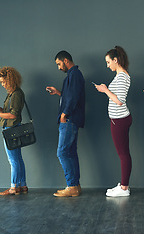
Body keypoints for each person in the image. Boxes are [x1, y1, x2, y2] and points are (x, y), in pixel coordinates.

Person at [94, 46, 133, 197]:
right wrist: (105, 90)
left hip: (120, 120)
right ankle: (123, 185)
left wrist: (105, 90)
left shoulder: (123, 76)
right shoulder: (119, 76)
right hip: (118, 120)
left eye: (108, 62)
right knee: (123, 153)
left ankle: (124, 188)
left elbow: (119, 101)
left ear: (115, 60)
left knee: (123, 154)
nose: (107, 65)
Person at [0, 67, 28, 196]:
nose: (2, 84)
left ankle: (13, 187)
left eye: (4, 82)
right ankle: (22, 185)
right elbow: (8, 110)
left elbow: (13, 115)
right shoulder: (14, 93)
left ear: (11, 80)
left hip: (11, 129)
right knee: (18, 158)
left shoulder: (16, 94)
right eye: (1, 82)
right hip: (14, 128)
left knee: (13, 160)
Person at [46, 50, 85, 197]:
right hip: (71, 118)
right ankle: (75, 186)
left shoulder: (74, 75)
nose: (58, 67)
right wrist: (59, 93)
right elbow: (71, 95)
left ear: (66, 61)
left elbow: (74, 98)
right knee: (70, 152)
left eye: (59, 64)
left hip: (69, 119)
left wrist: (64, 114)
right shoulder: (73, 75)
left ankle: (72, 186)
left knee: (62, 152)